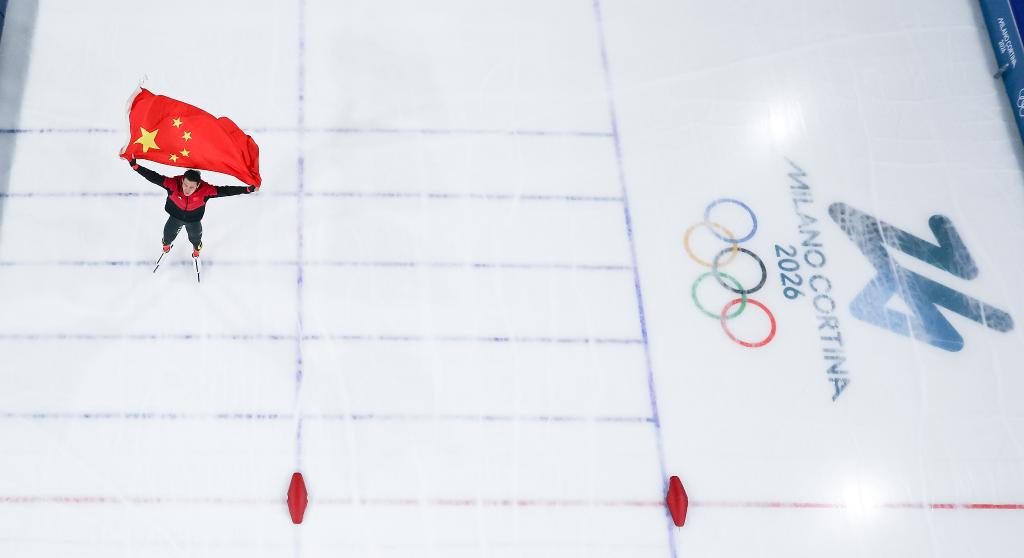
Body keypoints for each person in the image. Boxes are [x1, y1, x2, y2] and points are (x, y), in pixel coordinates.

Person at [128, 158, 258, 257]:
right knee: (167, 236)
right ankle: (166, 247)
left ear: (198, 185)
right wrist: (135, 166)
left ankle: (196, 251)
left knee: (195, 239)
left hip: (193, 220)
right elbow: (153, 177)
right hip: (175, 216)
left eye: (191, 187)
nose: (187, 190)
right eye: (185, 185)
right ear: (182, 180)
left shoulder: (206, 191)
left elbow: (227, 191)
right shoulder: (172, 184)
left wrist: (247, 189)